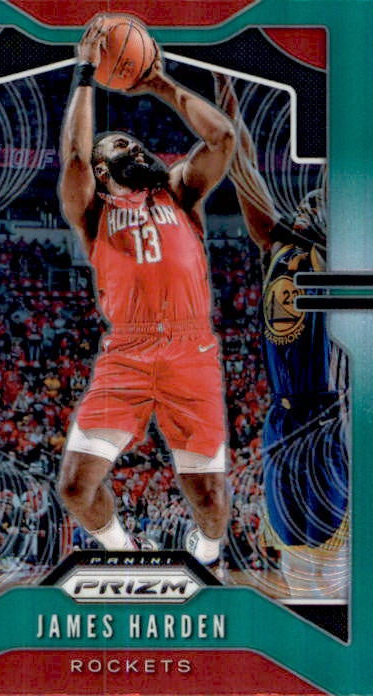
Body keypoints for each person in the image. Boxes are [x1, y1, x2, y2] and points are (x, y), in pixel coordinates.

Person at [57, 15, 235, 565]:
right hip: (128, 353)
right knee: (74, 488)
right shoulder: (93, 212)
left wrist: (159, 83)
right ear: (103, 172)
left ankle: (207, 553)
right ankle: (123, 549)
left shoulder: (179, 193)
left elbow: (222, 137)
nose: (136, 151)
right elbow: (75, 156)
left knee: (210, 501)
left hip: (189, 350)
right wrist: (86, 72)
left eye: (136, 144)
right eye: (121, 148)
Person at [214, 73, 349, 597]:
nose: (306, 206)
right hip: (282, 415)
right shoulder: (275, 247)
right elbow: (243, 166)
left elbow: (344, 178)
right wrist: (225, 95)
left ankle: (346, 626)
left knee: (333, 552)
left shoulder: (338, 255)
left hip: (328, 411)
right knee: (293, 549)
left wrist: (343, 111)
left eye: (317, 202)